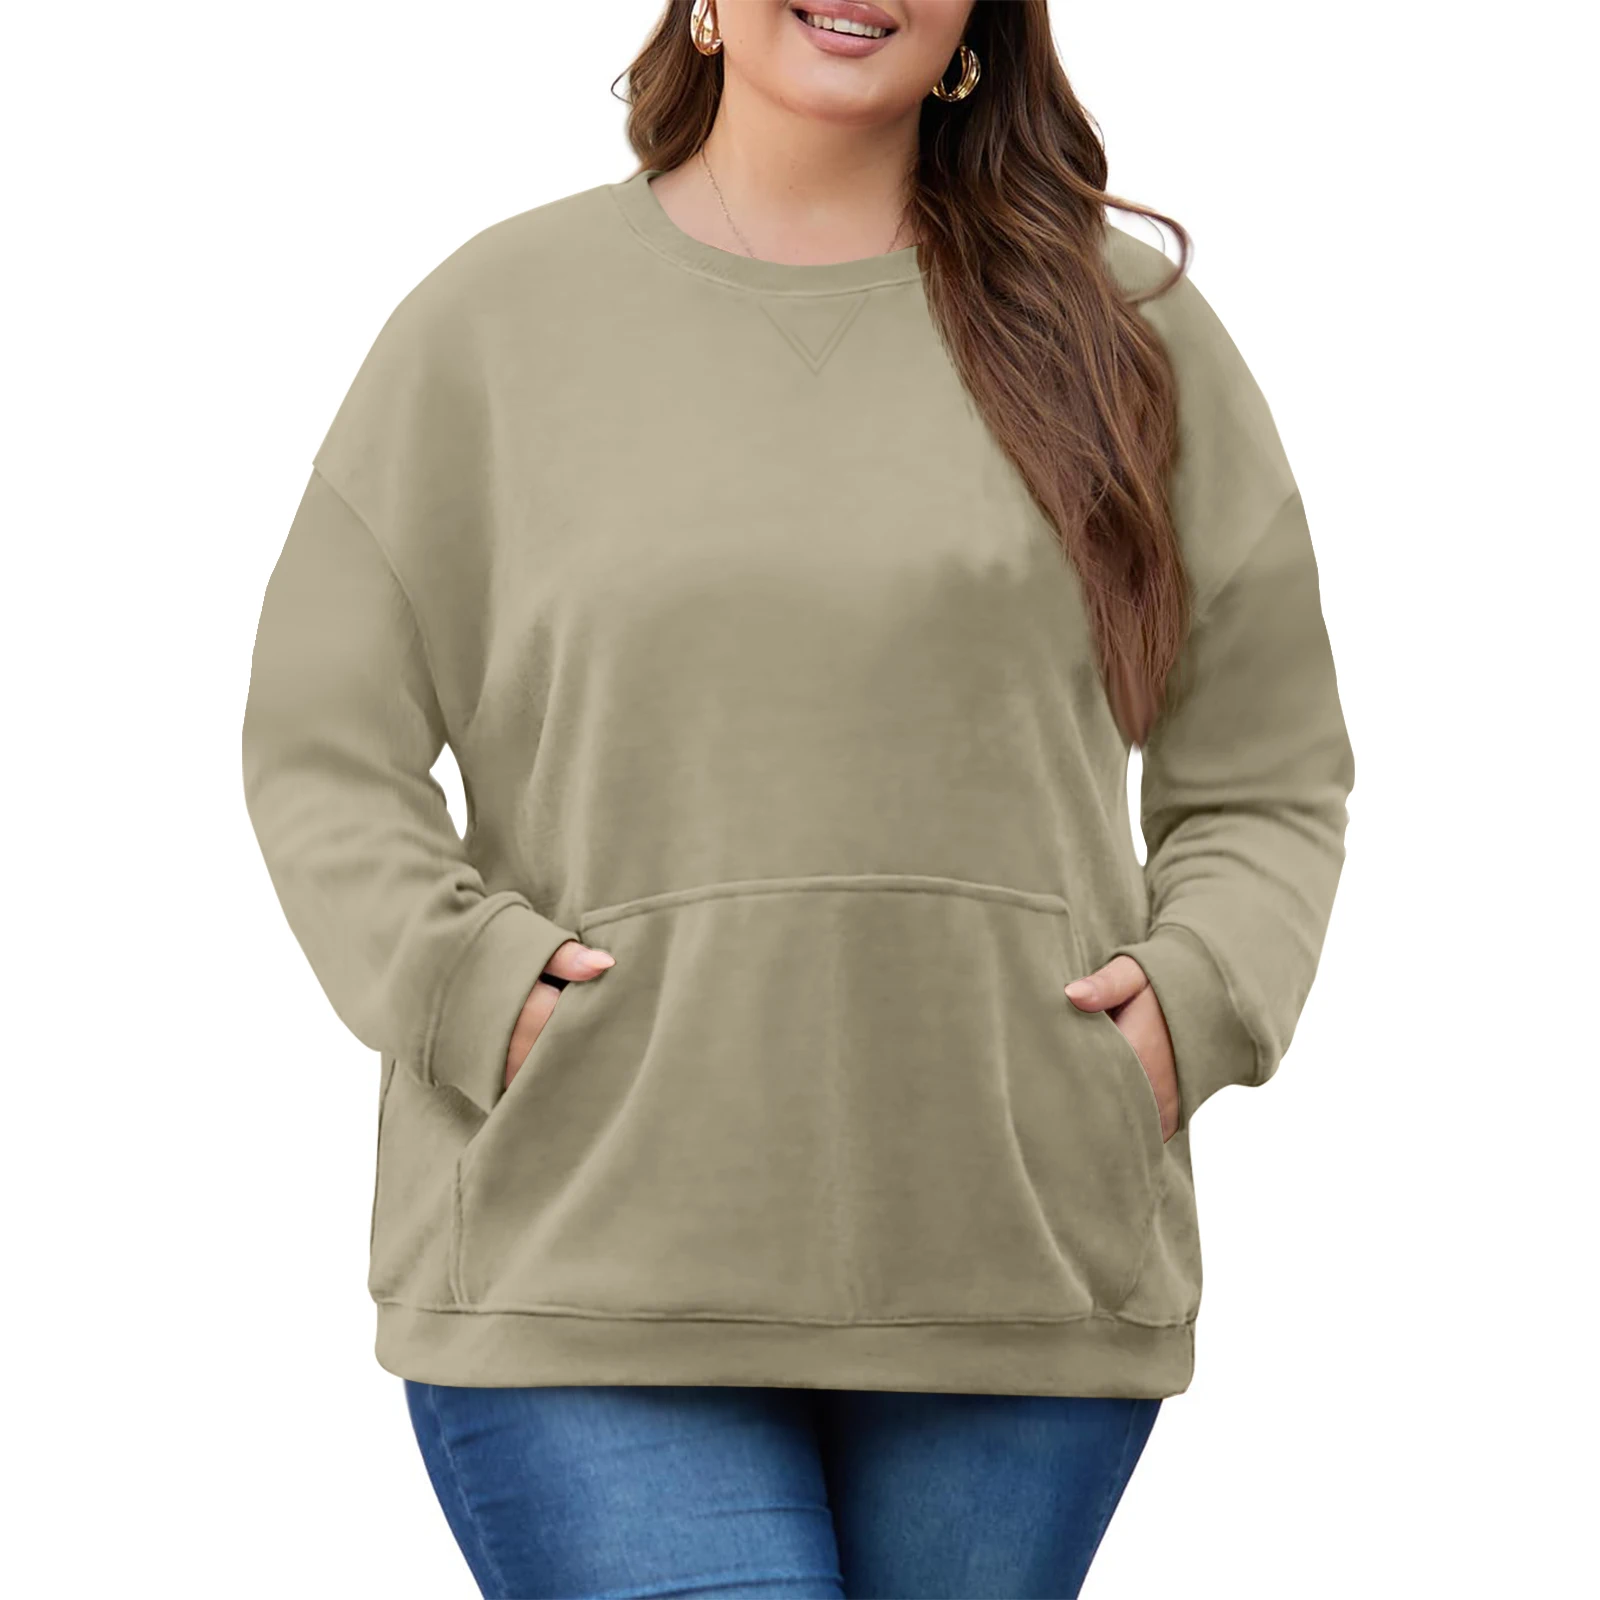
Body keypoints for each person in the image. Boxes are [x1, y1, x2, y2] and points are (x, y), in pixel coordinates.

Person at [239, 1, 1355, 1594]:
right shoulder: (494, 325)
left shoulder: (1125, 332)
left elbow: (1268, 770)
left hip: (1016, 1264)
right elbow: (320, 737)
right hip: (584, 1251)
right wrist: (463, 984)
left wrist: (1200, 1002)